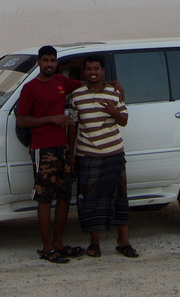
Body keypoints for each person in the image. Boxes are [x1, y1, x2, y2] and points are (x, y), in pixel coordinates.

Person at [16, 45, 84, 264]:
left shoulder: (61, 82)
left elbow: (87, 85)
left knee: (64, 196)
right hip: (42, 149)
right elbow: (22, 120)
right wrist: (52, 119)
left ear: (56, 63)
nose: (49, 64)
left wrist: (114, 84)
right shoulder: (30, 88)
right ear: (38, 62)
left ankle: (58, 244)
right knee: (44, 198)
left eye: (52, 61)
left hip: (63, 148)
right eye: (45, 60)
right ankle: (46, 248)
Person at [68, 55, 137, 258]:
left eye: (96, 69)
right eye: (88, 69)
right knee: (90, 200)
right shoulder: (76, 95)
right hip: (87, 154)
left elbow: (124, 120)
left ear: (103, 70)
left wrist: (114, 112)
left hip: (114, 153)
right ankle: (94, 242)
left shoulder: (115, 92)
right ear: (84, 71)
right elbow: (73, 123)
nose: (92, 72)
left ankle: (123, 241)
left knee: (120, 198)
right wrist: (71, 153)